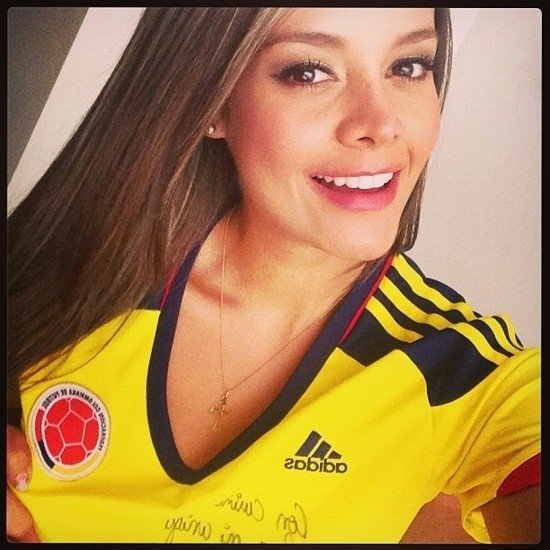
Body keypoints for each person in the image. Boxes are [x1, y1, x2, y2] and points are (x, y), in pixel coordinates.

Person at [6, 7, 540, 544]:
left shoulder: (460, 372)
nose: (381, 125)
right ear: (213, 101)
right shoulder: (60, 271)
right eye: (309, 72)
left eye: (409, 66)